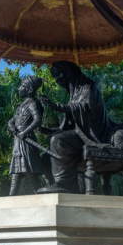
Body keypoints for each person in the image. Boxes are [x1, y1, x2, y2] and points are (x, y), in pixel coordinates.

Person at [39, 61, 114, 193]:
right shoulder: (73, 94)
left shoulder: (89, 87)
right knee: (45, 156)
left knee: (58, 140)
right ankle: (54, 185)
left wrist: (57, 106)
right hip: (79, 135)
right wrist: (47, 130)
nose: (57, 79)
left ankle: (63, 183)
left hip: (93, 135)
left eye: (59, 74)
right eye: (55, 77)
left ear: (69, 72)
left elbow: (85, 108)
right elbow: (66, 127)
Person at [7, 76, 44, 195]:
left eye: (22, 86)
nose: (19, 88)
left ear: (29, 89)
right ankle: (11, 196)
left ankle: (38, 194)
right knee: (16, 171)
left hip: (27, 141)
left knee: (29, 171)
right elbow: (12, 121)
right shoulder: (22, 105)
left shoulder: (32, 103)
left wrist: (24, 132)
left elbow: (37, 120)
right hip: (18, 141)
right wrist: (12, 128)